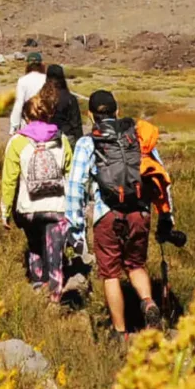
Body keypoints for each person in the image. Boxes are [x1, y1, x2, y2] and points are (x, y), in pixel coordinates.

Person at [66, 90, 163, 337]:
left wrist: (76, 229)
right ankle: (148, 302)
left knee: (110, 274)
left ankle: (121, 333)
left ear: (90, 115)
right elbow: (158, 175)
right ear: (117, 111)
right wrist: (165, 215)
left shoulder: (88, 143)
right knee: (136, 265)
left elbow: (76, 186)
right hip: (139, 212)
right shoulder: (138, 137)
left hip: (106, 214)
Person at [0, 87, 71, 301]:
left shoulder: (17, 142)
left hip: (28, 207)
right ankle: (55, 297)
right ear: (48, 114)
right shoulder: (62, 139)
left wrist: (5, 211)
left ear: (26, 116)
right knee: (55, 252)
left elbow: (9, 179)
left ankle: (38, 286)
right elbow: (70, 172)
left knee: (34, 246)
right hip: (57, 206)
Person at [6, 50, 47, 136]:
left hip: (28, 122)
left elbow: (19, 103)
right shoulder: (47, 79)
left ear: (28, 65)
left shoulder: (23, 81)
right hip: (46, 121)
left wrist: (14, 125)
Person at [40, 63, 84, 141]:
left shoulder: (41, 97)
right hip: (66, 138)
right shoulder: (70, 98)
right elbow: (76, 124)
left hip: (45, 138)